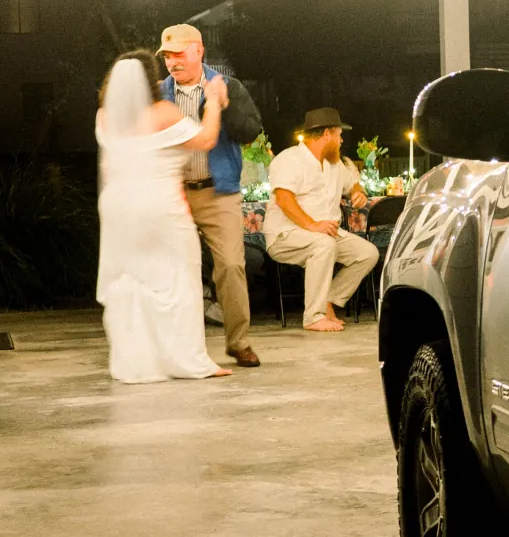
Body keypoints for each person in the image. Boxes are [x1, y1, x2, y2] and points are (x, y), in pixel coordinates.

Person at [96, 51, 230, 383]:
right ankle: (187, 360)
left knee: (133, 279)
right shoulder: (163, 112)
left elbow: (108, 166)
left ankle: (139, 359)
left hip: (117, 207)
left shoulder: (104, 117)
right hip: (159, 206)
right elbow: (206, 139)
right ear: (150, 80)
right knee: (180, 277)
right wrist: (213, 101)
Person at [157, 24, 261, 368]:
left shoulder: (228, 85)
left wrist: (225, 105)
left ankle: (238, 342)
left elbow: (251, 131)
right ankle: (180, 348)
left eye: (179, 54)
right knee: (175, 270)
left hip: (218, 192)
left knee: (231, 265)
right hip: (175, 195)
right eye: (167, 56)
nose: (172, 62)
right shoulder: (159, 93)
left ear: (199, 51)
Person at [265, 108, 379, 332]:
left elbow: (352, 183)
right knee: (324, 244)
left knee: (367, 253)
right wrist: (312, 225)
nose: (341, 140)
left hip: (325, 233)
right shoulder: (289, 159)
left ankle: (328, 300)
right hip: (286, 234)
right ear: (327, 134)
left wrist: (358, 192)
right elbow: (284, 199)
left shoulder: (334, 163)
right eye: (339, 135)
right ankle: (313, 317)